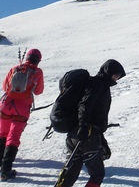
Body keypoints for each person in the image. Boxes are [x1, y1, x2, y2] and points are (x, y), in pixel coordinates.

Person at [58, 59, 126, 187]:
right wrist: (84, 127)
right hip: (87, 136)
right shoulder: (98, 84)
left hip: (75, 134)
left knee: (69, 175)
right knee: (97, 175)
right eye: (116, 75)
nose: (117, 78)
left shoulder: (96, 84)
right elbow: (85, 104)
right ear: (108, 72)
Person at [0, 48, 44, 180]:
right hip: (21, 109)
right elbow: (38, 91)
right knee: (13, 138)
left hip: (5, 105)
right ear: (38, 60)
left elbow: (4, 86)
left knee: (2, 134)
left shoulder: (15, 68)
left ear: (27, 57)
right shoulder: (37, 72)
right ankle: (5, 170)